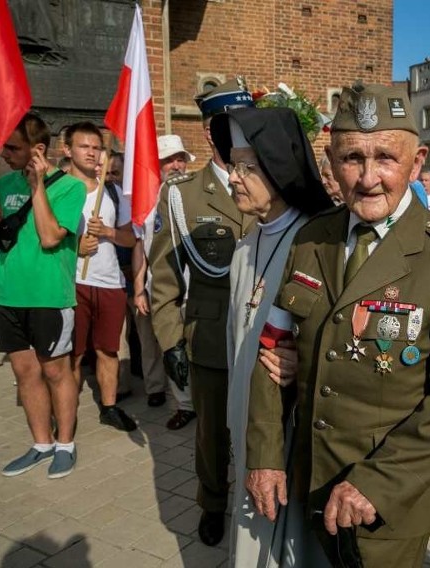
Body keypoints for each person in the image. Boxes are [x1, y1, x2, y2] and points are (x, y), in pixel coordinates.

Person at [245, 82, 430, 567]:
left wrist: (376, 483)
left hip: (388, 501)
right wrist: (265, 453)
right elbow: (271, 351)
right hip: (311, 476)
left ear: (417, 161)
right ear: (331, 161)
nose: (368, 177)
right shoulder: (313, 239)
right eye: (352, 158)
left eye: (386, 158)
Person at [212, 106, 333, 567]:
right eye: (232, 165)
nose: (234, 178)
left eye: (246, 166)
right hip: (246, 420)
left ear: (279, 167)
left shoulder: (318, 244)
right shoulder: (244, 248)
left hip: (291, 425)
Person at [149, 78, 256, 546]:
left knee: (260, 428)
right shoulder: (183, 194)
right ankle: (213, 502)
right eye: (225, 124)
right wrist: (170, 340)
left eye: (242, 121)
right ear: (210, 133)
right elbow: (165, 277)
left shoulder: (273, 179)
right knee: (212, 436)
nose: (235, 131)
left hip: (266, 338)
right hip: (210, 338)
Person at [0, 113, 85, 479]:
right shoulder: (4, 183)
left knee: (56, 371)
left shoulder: (70, 188)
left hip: (48, 297)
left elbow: (48, 237)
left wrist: (38, 185)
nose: (4, 154)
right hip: (8, 295)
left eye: (13, 147)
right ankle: (41, 443)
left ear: (37, 149)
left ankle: (65, 444)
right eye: (3, 147)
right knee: (25, 372)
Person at [65, 122, 137, 432]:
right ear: (67, 150)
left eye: (96, 147)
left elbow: (130, 239)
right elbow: (44, 237)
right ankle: (65, 411)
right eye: (84, 146)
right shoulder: (57, 188)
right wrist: (75, 245)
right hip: (72, 283)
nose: (92, 153)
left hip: (110, 283)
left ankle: (109, 407)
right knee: (73, 353)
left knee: (108, 350)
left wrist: (107, 232)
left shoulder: (113, 192)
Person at [133, 135, 197, 409]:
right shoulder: (147, 203)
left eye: (179, 158)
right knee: (168, 345)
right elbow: (141, 248)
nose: (175, 165)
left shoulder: (198, 197)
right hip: (162, 288)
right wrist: (138, 289)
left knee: (195, 348)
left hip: (196, 288)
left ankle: (199, 402)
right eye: (168, 160)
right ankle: (182, 405)